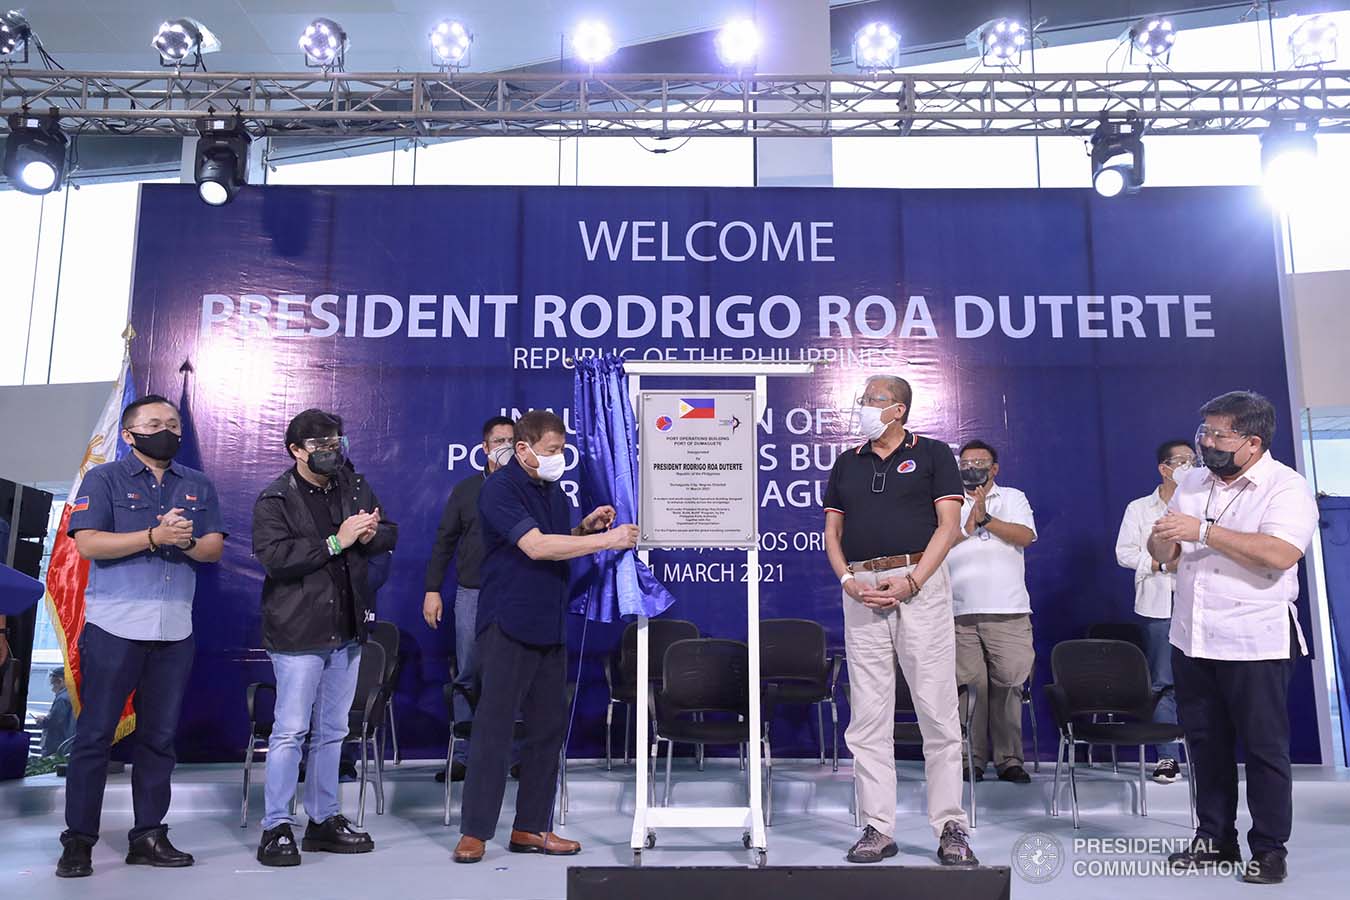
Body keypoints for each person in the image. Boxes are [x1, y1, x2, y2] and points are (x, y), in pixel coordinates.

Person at [452, 409, 638, 864]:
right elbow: (535, 546)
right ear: (523, 449)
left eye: (561, 450)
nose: (559, 458)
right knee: (494, 730)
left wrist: (583, 528)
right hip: (507, 625)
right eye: (552, 451)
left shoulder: (553, 492)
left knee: (546, 733)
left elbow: (556, 540)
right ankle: (475, 832)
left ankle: (531, 827)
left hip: (549, 626)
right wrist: (607, 541)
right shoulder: (499, 488)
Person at [1149, 391, 1318, 886]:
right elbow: (1167, 549)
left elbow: (1280, 552)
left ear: (1252, 442)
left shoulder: (1284, 487)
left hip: (1255, 638)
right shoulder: (1193, 481)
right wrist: (1163, 539)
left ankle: (1268, 848)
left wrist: (1201, 529)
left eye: (1218, 434)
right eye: (1204, 432)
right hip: (1192, 635)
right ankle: (1214, 837)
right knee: (1205, 745)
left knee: (1265, 750)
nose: (1207, 443)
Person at [57, 395, 225, 879]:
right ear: (129, 435)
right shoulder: (104, 478)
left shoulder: (196, 483)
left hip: (175, 629)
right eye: (155, 423)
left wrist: (185, 541)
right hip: (115, 625)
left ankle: (148, 834)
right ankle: (79, 840)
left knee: (160, 738)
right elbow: (87, 542)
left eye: (173, 423)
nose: (167, 430)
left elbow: (213, 547)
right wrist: (154, 537)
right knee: (94, 736)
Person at [823, 374, 977, 866]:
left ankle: (950, 825)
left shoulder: (932, 454)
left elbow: (949, 527)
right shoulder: (847, 462)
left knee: (937, 710)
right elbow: (832, 533)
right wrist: (848, 581)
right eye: (863, 399)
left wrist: (913, 582)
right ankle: (876, 826)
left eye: (874, 400)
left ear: (899, 409)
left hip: (920, 585)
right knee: (867, 716)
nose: (864, 407)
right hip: (862, 587)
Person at [252, 409, 398, 867]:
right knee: (291, 730)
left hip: (347, 627)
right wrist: (337, 541)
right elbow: (275, 557)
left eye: (336, 442)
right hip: (298, 631)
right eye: (320, 445)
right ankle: (276, 825)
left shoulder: (353, 486)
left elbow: (386, 531)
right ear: (296, 450)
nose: (332, 451)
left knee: (334, 730)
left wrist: (369, 533)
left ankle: (323, 819)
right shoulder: (275, 498)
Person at [424, 415, 516, 782]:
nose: (505, 447)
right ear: (485, 448)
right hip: (471, 595)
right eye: (499, 441)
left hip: (516, 595)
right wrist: (432, 589)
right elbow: (444, 542)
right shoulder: (465, 491)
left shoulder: (529, 488)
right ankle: (463, 754)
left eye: (512, 440)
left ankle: (517, 754)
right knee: (467, 675)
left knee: (516, 675)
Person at [947, 440, 1037, 785]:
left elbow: (1025, 536)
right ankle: (971, 758)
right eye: (966, 463)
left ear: (994, 468)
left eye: (979, 463)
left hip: (1008, 610)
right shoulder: (948, 501)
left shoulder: (1013, 497)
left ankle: (1009, 759)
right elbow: (937, 543)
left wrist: (986, 517)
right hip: (959, 611)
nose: (972, 469)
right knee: (969, 690)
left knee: (1009, 685)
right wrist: (969, 523)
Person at [1115, 438, 1196, 784]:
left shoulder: (1204, 502)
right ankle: (1167, 757)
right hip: (1159, 600)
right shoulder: (1139, 508)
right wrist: (1161, 566)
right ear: (1164, 469)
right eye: (1182, 461)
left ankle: (1209, 754)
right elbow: (1124, 552)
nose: (1190, 467)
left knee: (1204, 680)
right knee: (1163, 681)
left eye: (1194, 461)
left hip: (1200, 600)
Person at [40, 668, 76, 757]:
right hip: (68, 743)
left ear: (60, 681)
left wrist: (42, 721)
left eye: (53, 684)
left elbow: (54, 721)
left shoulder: (62, 698)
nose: (52, 689)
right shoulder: (73, 695)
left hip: (57, 744)